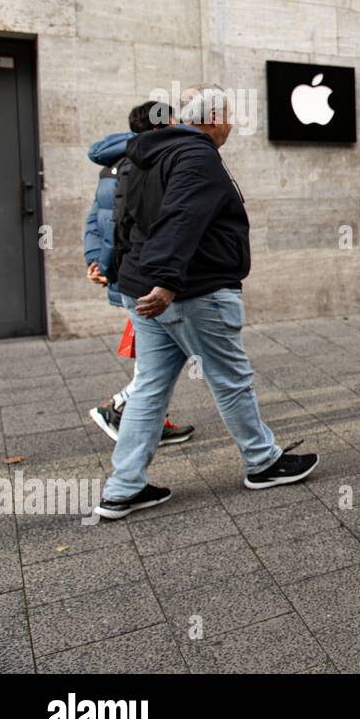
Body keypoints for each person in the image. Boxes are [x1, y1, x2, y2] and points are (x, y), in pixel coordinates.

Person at [94, 84, 317, 520]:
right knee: (229, 377)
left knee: (148, 388)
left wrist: (132, 279)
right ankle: (263, 462)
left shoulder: (142, 153)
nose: (232, 122)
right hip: (191, 292)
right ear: (213, 119)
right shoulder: (196, 156)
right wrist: (166, 281)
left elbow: (124, 221)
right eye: (229, 115)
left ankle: (123, 488)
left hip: (147, 292)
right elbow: (182, 218)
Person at [84, 100, 194, 446]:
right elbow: (119, 222)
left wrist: (97, 262)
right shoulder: (144, 163)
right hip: (143, 271)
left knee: (154, 350)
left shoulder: (112, 163)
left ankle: (150, 420)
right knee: (164, 352)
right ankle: (117, 406)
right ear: (162, 125)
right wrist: (105, 263)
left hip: (124, 269)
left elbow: (95, 219)